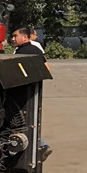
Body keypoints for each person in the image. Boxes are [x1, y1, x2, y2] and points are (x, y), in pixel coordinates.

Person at [9, 25, 52, 160]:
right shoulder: (34, 49)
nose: (13, 39)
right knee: (29, 121)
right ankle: (41, 145)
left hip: (21, 93)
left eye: (16, 36)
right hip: (32, 91)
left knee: (19, 121)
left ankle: (40, 145)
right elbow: (47, 69)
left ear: (25, 37)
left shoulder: (24, 52)